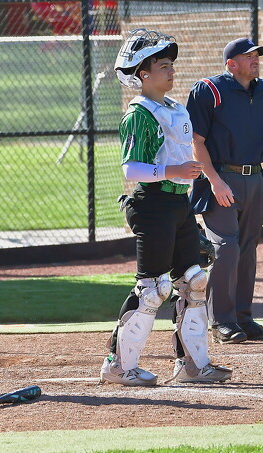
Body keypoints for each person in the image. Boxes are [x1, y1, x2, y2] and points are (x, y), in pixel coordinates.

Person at [100, 29, 232, 386]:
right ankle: (117, 366)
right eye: (163, 66)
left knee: (195, 280)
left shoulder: (173, 108)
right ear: (143, 74)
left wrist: (183, 175)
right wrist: (173, 171)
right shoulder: (138, 113)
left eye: (171, 64)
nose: (171, 70)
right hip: (153, 204)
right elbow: (131, 169)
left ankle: (192, 366)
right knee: (153, 288)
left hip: (178, 203)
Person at [187, 37, 263, 344]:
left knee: (248, 247)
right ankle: (221, 321)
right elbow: (196, 141)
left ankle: (243, 317)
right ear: (231, 64)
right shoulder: (209, 89)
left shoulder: (262, 90)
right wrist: (215, 180)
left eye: (257, 55)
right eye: (249, 56)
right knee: (226, 247)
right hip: (220, 178)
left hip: (255, 177)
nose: (256, 59)